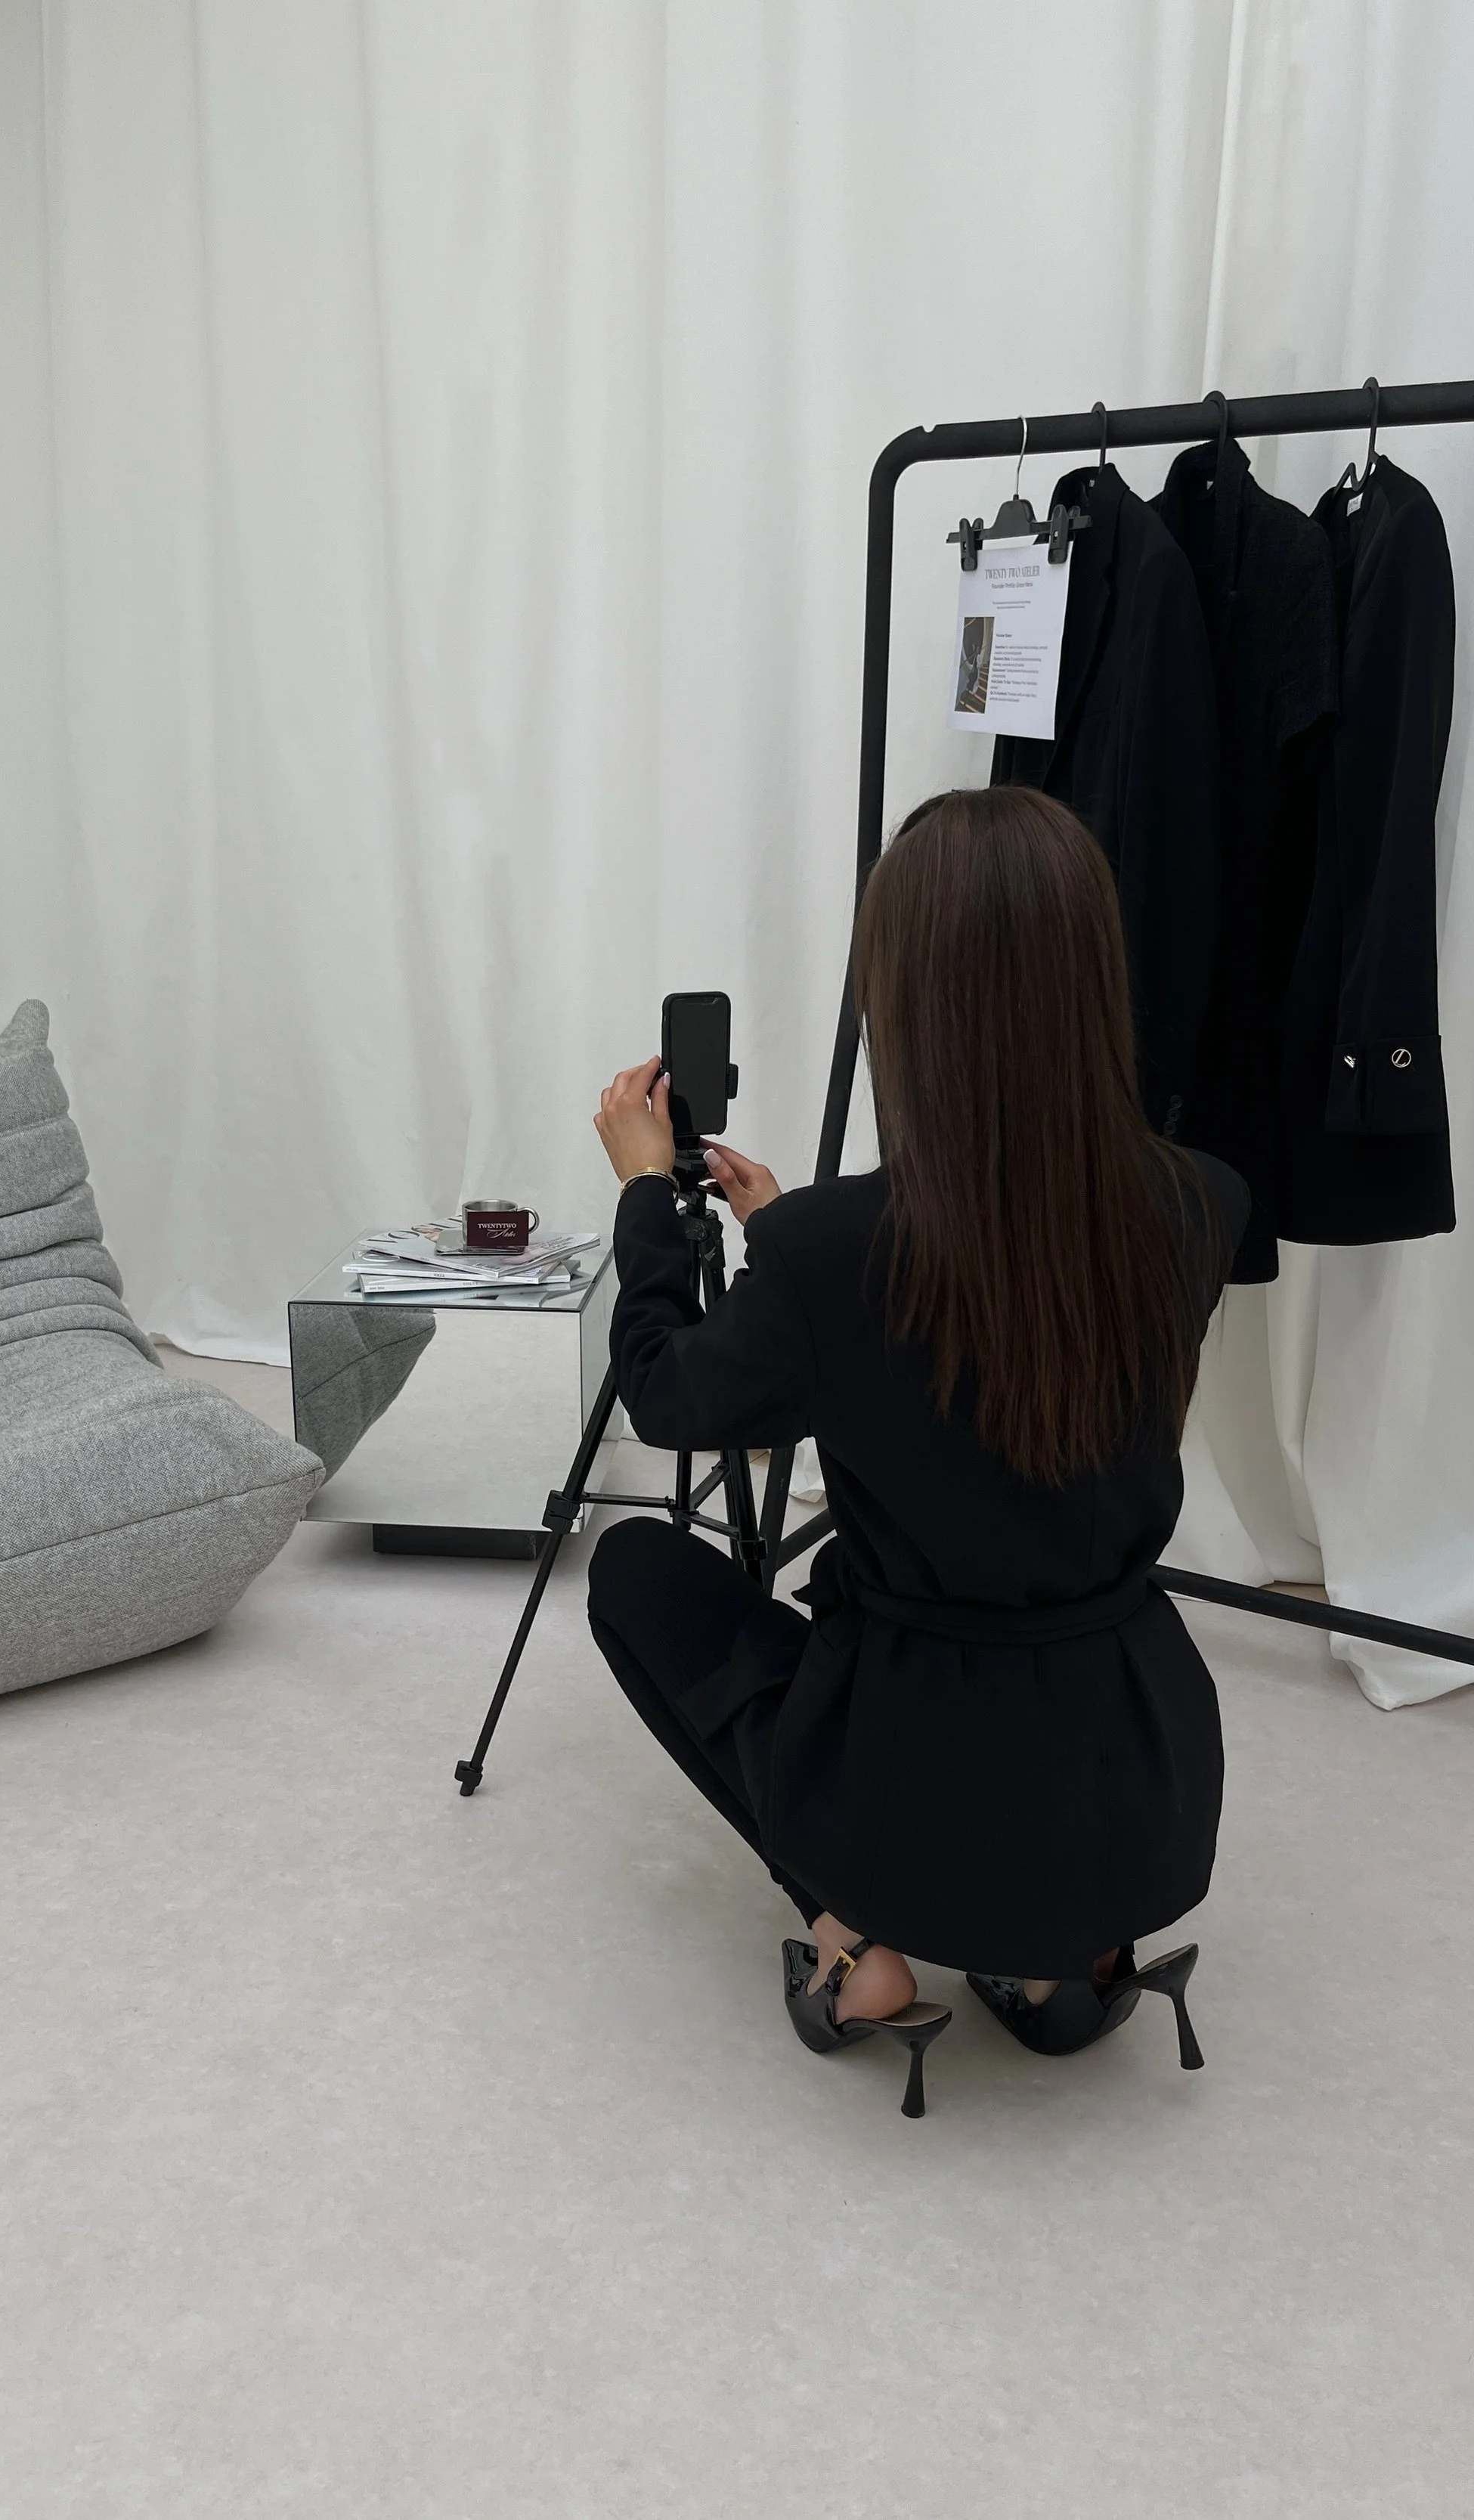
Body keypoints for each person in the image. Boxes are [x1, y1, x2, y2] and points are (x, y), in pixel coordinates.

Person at [587, 786, 1247, 2107]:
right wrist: (794, 1242)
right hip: (1142, 1781)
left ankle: (855, 1947)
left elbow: (667, 1399)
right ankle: (1068, 1966)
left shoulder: (836, 1256)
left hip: (905, 1795)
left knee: (635, 1573)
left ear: (907, 1000)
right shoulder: (1200, 1202)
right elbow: (1005, 1357)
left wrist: (653, 1203)